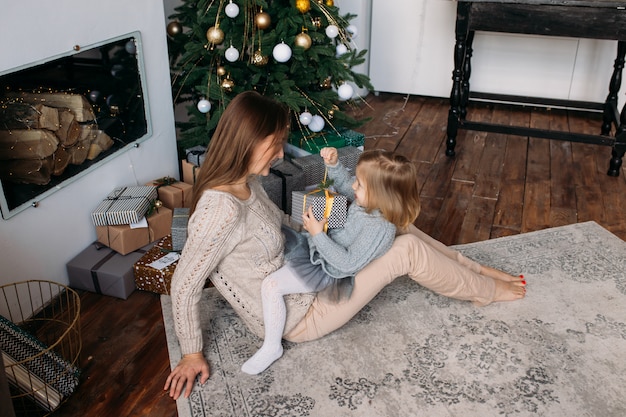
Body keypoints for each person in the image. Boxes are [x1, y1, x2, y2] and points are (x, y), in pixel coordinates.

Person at [164, 91, 526, 400]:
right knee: (406, 251)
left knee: (389, 219)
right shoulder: (219, 209)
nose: (279, 155)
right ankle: (486, 290)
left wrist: (329, 219)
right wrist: (192, 351)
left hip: (311, 269)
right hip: (301, 314)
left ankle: (474, 270)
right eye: (275, 144)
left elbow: (284, 224)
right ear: (250, 141)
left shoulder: (247, 182)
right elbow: (184, 282)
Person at [241, 147, 422, 374]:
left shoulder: (380, 229)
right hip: (322, 247)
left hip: (329, 269)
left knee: (271, 286)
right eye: (357, 179)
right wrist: (334, 166)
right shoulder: (368, 203)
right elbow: (347, 187)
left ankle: (271, 346)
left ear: (381, 195)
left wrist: (318, 235)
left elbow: (347, 264)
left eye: (361, 185)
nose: (353, 186)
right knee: (277, 238)